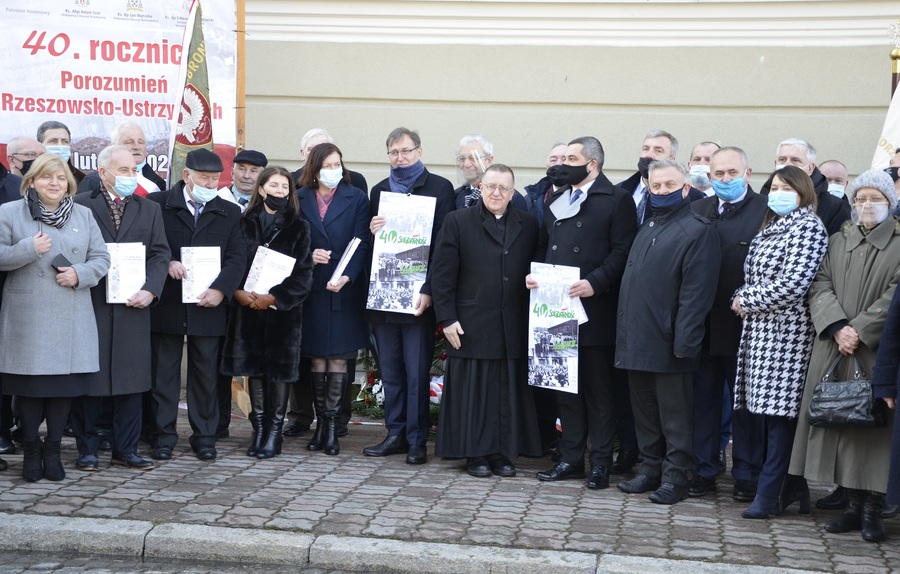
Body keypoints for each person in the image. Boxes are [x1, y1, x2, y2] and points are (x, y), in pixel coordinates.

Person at [788, 169, 900, 542]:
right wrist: (836, 325)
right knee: (841, 428)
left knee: (873, 434)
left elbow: (895, 298)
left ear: (890, 202)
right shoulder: (839, 239)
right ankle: (851, 505)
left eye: (876, 198)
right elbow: (819, 285)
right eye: (861, 199)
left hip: (876, 351)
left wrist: (861, 330)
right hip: (835, 346)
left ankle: (873, 510)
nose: (867, 205)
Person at [531, 136, 637, 490]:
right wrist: (537, 276)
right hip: (556, 310)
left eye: (572, 158)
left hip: (595, 311)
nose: (564, 164)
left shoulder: (616, 200)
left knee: (598, 393)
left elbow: (623, 252)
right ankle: (572, 459)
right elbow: (545, 247)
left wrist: (596, 282)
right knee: (567, 390)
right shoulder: (558, 200)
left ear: (592, 164)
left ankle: (600, 464)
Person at [615, 160, 720, 505]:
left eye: (669, 185)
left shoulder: (697, 229)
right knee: (644, 412)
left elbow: (696, 293)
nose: (661, 191)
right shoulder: (647, 225)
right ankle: (650, 469)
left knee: (675, 418)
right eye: (655, 186)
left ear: (686, 188)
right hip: (637, 339)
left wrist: (685, 342)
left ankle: (676, 478)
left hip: (671, 342)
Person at [0, 153, 110, 481]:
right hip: (27, 317)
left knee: (63, 388)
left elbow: (102, 258)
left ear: (69, 184)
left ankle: (53, 450)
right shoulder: (9, 212)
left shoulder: (84, 215)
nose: (54, 183)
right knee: (32, 388)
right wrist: (28, 249)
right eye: (47, 177)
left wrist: (80, 274)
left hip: (71, 314)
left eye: (61, 179)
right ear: (32, 181)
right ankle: (32, 449)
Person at [731, 165, 829, 518]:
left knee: (779, 418)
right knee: (769, 417)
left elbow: (793, 285)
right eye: (774, 186)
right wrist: (741, 294)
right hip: (761, 335)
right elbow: (754, 276)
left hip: (788, 336)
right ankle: (792, 487)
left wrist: (747, 300)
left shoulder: (808, 227)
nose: (779, 192)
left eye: (787, 186)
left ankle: (768, 494)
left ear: (803, 190)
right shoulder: (771, 226)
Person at [432, 164, 541, 477]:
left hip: (512, 324)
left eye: (504, 188)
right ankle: (475, 454)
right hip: (470, 321)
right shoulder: (458, 221)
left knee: (506, 392)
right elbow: (442, 275)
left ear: (512, 192)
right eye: (491, 186)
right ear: (480, 187)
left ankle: (501, 453)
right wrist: (447, 318)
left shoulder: (528, 223)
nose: (497, 193)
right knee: (475, 391)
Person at [70, 145, 170, 472]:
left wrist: (151, 290)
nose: (130, 176)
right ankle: (87, 449)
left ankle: (125, 449)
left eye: (133, 170)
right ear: (103, 172)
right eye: (123, 171)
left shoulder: (149, 209)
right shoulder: (81, 205)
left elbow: (159, 255)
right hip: (91, 305)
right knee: (90, 382)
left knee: (131, 382)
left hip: (133, 307)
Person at [146, 148, 247, 462]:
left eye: (215, 179)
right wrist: (167, 262)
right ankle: (162, 436)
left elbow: (236, 258)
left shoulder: (229, 212)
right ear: (186, 175)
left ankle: (205, 437)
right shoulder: (157, 206)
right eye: (204, 177)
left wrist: (221, 290)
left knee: (205, 376)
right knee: (163, 375)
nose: (210, 183)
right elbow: (147, 247)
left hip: (209, 306)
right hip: (168, 304)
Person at [364, 127, 455, 465]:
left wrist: (430, 289)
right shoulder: (380, 191)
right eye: (393, 153)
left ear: (419, 151)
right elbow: (372, 246)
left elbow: (445, 246)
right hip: (385, 295)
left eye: (405, 151)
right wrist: (374, 233)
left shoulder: (440, 188)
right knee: (390, 370)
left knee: (416, 372)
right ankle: (395, 433)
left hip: (418, 297)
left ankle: (417, 440)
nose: (399, 158)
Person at [689, 147, 768, 501]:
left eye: (731, 173)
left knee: (744, 406)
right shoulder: (697, 209)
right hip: (701, 327)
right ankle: (704, 469)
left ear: (747, 173)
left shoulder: (764, 213)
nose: (724, 180)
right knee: (702, 403)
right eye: (718, 173)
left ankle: (746, 473)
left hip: (744, 328)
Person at [221, 166, 313, 459]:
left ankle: (274, 433)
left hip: (281, 315)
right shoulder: (243, 222)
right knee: (255, 373)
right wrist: (237, 292)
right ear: (261, 189)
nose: (279, 192)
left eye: (284, 188)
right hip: (247, 311)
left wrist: (274, 298)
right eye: (273, 186)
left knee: (278, 374)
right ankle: (258, 429)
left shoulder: (299, 226)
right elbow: (231, 261)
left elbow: (304, 274)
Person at [286, 128, 366, 439]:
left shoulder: (356, 196)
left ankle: (333, 427)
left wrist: (348, 276)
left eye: (337, 165)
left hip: (344, 289)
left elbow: (361, 242)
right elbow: (289, 239)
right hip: (312, 288)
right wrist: (308, 253)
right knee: (317, 357)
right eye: (327, 166)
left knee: (340, 358)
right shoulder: (299, 196)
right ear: (313, 168)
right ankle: (320, 425)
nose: (333, 171)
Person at [212, 148, 267, 440]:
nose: (247, 175)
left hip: (257, 297)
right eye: (241, 169)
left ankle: (261, 425)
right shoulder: (218, 201)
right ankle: (219, 423)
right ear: (231, 171)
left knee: (256, 361)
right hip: (223, 293)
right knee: (221, 361)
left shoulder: (270, 204)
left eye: (254, 171)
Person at [760, 138, 850, 235]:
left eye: (795, 160)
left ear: (810, 168)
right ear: (775, 164)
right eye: (782, 159)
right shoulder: (764, 200)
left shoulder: (835, 207)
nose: (787, 164)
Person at [618, 130, 704, 226]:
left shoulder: (692, 196)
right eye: (646, 149)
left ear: (671, 160)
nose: (649, 155)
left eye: (658, 151)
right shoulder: (620, 190)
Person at [523, 142, 568, 228]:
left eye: (564, 159)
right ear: (547, 166)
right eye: (553, 160)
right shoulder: (530, 199)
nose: (559, 164)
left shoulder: (583, 196)